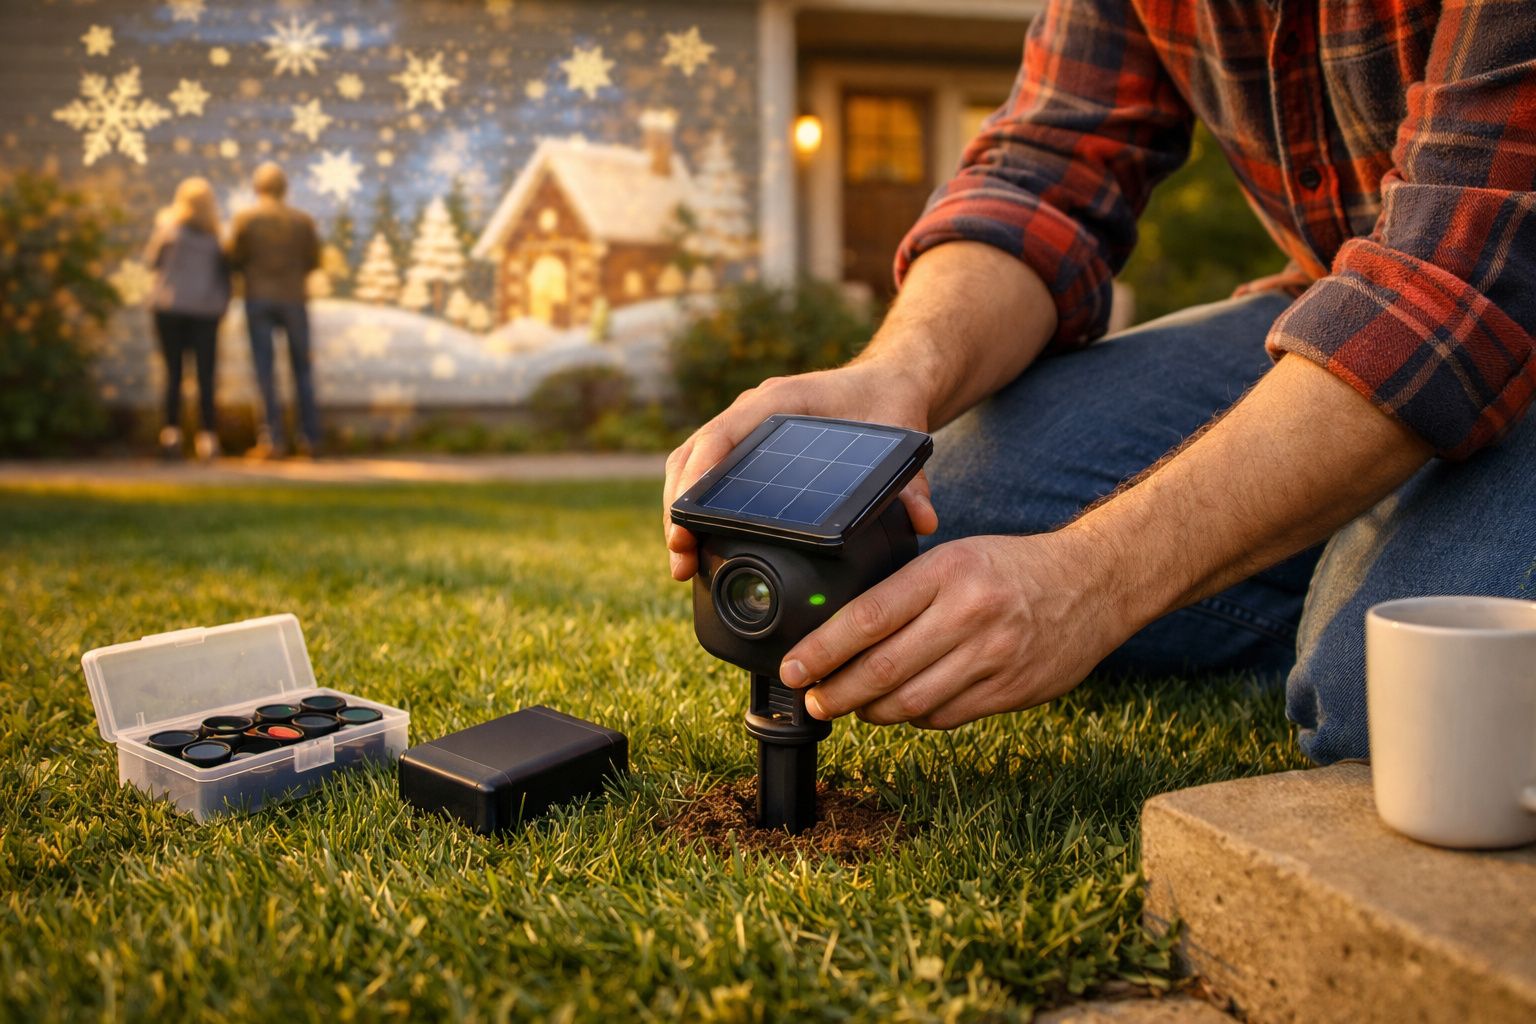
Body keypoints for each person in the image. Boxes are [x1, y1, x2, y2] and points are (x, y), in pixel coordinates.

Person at [664, 1, 1536, 765]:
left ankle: (1351, 578)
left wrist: (1097, 578)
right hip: (1339, 302)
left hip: (1496, 298)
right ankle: (1331, 541)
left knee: (1409, 697)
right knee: (923, 528)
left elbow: (1464, 272)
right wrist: (897, 376)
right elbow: (1044, 175)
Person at [229, 162, 322, 459]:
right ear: (284, 189)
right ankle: (309, 438)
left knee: (264, 370)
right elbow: (314, 260)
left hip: (258, 298)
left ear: (258, 188)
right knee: (302, 370)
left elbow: (233, 258)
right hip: (294, 298)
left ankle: (272, 440)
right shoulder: (302, 221)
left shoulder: (246, 219)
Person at [145, 177, 230, 461]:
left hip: (170, 309)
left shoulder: (168, 231)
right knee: (206, 375)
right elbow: (225, 275)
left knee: (174, 374)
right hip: (205, 312)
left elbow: (151, 262)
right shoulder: (216, 238)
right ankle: (208, 438)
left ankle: (171, 435)